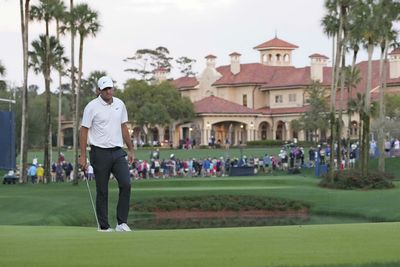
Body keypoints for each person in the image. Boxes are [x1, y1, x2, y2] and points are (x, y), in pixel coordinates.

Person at [79, 76, 134, 232]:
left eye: (110, 88)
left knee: (126, 184)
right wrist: (83, 155)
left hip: (117, 152)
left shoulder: (120, 104)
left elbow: (124, 127)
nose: (109, 91)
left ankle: (122, 223)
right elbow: (84, 131)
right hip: (99, 152)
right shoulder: (91, 107)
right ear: (99, 91)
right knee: (102, 190)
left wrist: (130, 148)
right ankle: (104, 226)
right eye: (105, 89)